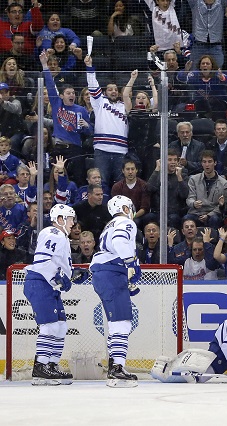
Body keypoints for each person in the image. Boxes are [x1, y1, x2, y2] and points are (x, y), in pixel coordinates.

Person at [90, 195, 142, 387]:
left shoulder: (110, 224)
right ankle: (117, 368)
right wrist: (131, 264)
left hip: (104, 274)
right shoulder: (124, 222)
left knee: (116, 323)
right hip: (111, 273)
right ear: (126, 208)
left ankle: (115, 365)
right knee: (122, 322)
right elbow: (120, 242)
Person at [22, 204, 77, 385]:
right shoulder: (53, 233)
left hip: (49, 285)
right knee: (50, 326)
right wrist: (59, 277)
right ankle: (41, 367)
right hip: (40, 283)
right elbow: (42, 260)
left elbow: (55, 263)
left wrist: (71, 275)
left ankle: (51, 365)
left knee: (61, 326)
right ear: (60, 219)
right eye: (70, 219)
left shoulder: (61, 237)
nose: (73, 223)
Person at [39, 51, 92, 185]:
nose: (72, 95)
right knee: (56, 177)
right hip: (59, 147)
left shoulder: (81, 110)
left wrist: (86, 125)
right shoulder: (57, 104)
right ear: (62, 96)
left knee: (79, 177)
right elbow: (51, 85)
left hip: (75, 148)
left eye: (73, 93)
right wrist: (45, 65)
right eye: (68, 93)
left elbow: (90, 132)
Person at [84, 54, 131, 187]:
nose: (114, 92)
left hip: (121, 151)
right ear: (105, 92)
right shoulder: (100, 103)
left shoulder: (125, 106)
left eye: (116, 90)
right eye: (110, 90)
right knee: (101, 183)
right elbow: (93, 85)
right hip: (102, 150)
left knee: (120, 184)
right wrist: (89, 67)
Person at [185, 150, 227, 229]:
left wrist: (209, 215)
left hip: (213, 214)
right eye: (204, 162)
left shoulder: (223, 183)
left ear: (215, 163)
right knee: (187, 219)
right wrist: (194, 203)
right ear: (201, 163)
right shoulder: (193, 179)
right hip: (196, 213)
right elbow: (189, 198)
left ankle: (213, 241)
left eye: (209, 161)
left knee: (215, 219)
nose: (207, 165)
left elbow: (221, 205)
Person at [110, 160, 150, 227]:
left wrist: (132, 216)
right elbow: (115, 206)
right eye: (128, 169)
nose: (130, 172)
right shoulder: (117, 187)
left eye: (132, 169)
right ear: (123, 170)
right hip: (121, 216)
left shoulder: (143, 185)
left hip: (138, 216)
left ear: (136, 170)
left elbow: (144, 208)